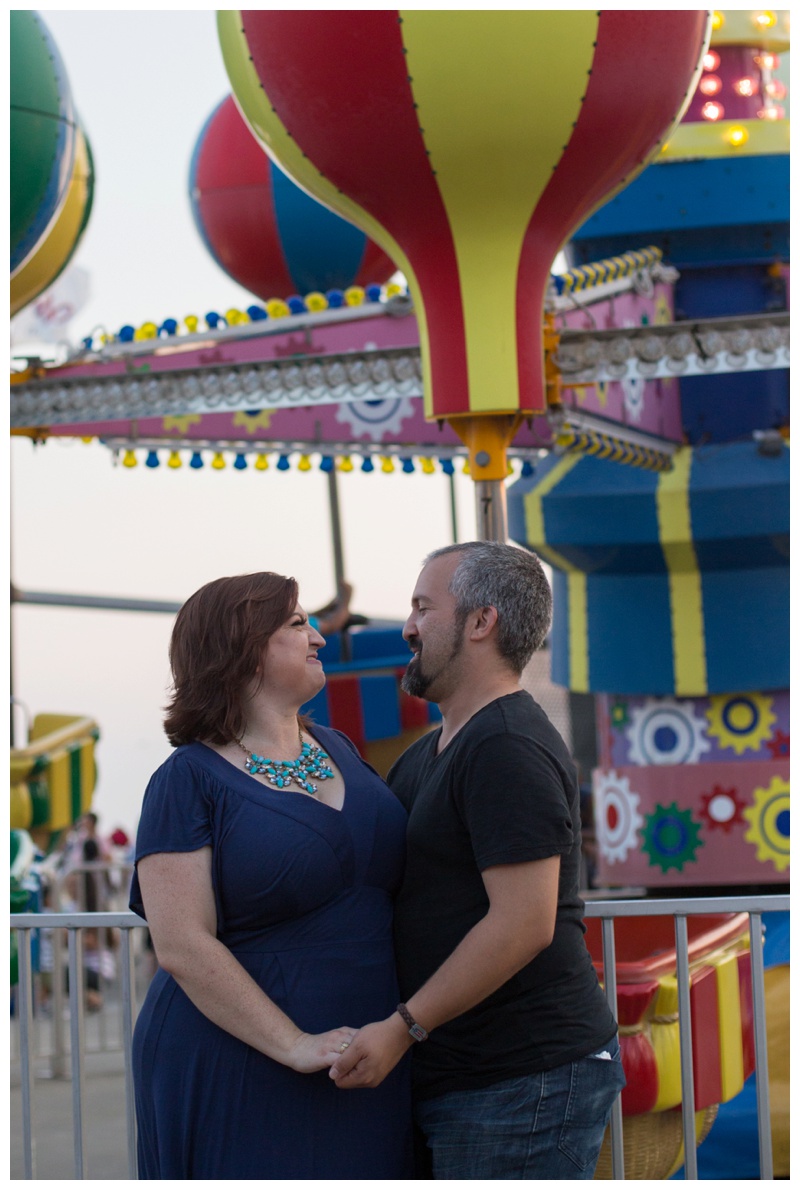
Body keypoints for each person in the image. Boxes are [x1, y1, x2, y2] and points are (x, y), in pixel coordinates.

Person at [330, 541, 625, 1179]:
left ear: (480, 622)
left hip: (521, 1079)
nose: (408, 626)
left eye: (422, 608)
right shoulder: (429, 752)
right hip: (474, 1076)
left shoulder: (506, 747)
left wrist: (404, 1026)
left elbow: (523, 922)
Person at [129, 572, 413, 1179]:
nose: (318, 637)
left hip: (368, 1059)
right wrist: (293, 1043)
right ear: (241, 647)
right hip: (244, 1063)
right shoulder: (187, 780)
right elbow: (181, 942)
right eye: (296, 624)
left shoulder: (338, 746)